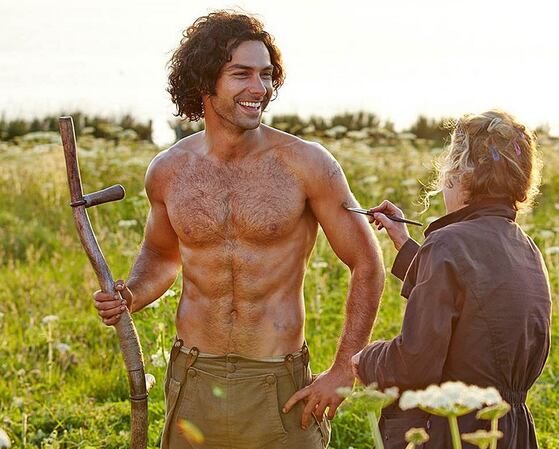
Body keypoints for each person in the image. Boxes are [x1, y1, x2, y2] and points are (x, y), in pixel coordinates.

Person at [92, 11, 385, 449]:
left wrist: (345, 368)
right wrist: (130, 294)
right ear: (205, 82)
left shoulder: (307, 164)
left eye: (266, 75)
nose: (259, 89)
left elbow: (367, 263)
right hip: (193, 379)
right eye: (241, 74)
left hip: (278, 385)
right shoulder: (169, 171)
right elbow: (162, 255)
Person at [352, 110, 552, 449]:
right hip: (512, 430)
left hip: (457, 432)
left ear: (459, 172)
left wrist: (367, 359)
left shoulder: (447, 243)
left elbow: (415, 363)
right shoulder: (525, 247)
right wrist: (403, 241)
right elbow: (474, 301)